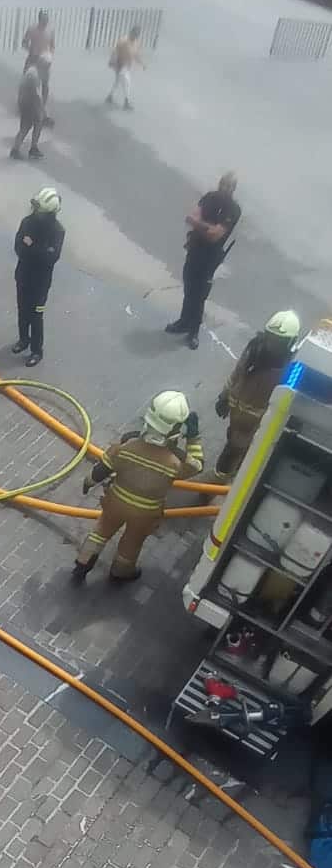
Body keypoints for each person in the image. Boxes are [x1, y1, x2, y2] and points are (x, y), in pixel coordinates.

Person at [72, 391, 203, 584]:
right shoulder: (175, 462)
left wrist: (88, 482)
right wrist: (193, 437)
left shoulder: (126, 445)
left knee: (101, 529)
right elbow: (197, 465)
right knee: (131, 542)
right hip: (145, 513)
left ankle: (83, 564)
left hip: (115, 501)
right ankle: (120, 572)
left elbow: (101, 470)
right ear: (176, 428)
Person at [214, 310, 300, 479]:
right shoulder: (255, 349)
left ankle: (230, 481)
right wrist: (224, 396)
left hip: (257, 425)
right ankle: (219, 478)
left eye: (279, 341)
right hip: (237, 414)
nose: (272, 344)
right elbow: (237, 373)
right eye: (271, 338)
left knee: (244, 457)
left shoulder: (290, 368)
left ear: (290, 342)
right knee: (231, 445)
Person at [166, 172, 241, 351]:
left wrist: (199, 225)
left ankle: (193, 331)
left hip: (210, 258)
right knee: (189, 286)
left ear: (233, 189)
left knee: (200, 294)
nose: (225, 188)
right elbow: (191, 217)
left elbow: (216, 235)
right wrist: (205, 227)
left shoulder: (233, 209)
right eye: (223, 184)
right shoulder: (209, 197)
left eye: (229, 186)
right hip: (194, 250)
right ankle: (184, 321)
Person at [12, 187, 64, 368]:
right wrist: (37, 250)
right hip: (23, 276)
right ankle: (23, 340)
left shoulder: (57, 231)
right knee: (22, 310)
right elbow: (18, 247)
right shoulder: (27, 222)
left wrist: (32, 247)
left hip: (41, 284)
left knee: (36, 315)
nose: (34, 213)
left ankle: (36, 350)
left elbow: (51, 258)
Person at [10, 64, 45, 161]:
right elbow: (36, 94)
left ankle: (17, 149)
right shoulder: (34, 75)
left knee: (26, 128)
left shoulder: (29, 75)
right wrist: (41, 108)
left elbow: (21, 94)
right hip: (31, 105)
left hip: (25, 105)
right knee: (33, 126)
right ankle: (31, 149)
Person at [106, 25, 144, 111]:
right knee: (127, 82)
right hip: (120, 65)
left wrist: (142, 64)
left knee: (118, 82)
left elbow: (136, 55)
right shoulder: (123, 41)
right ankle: (126, 102)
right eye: (135, 33)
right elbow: (115, 51)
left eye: (137, 34)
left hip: (127, 66)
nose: (136, 36)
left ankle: (110, 96)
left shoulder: (136, 43)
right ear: (131, 32)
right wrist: (112, 62)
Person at [22, 9, 55, 106]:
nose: (45, 21)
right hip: (33, 57)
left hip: (44, 60)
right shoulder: (32, 29)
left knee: (45, 83)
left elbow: (52, 45)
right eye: (43, 18)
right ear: (39, 18)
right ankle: (23, 102)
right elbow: (24, 42)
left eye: (47, 18)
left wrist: (50, 55)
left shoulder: (50, 30)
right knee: (25, 79)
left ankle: (43, 105)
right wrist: (30, 50)